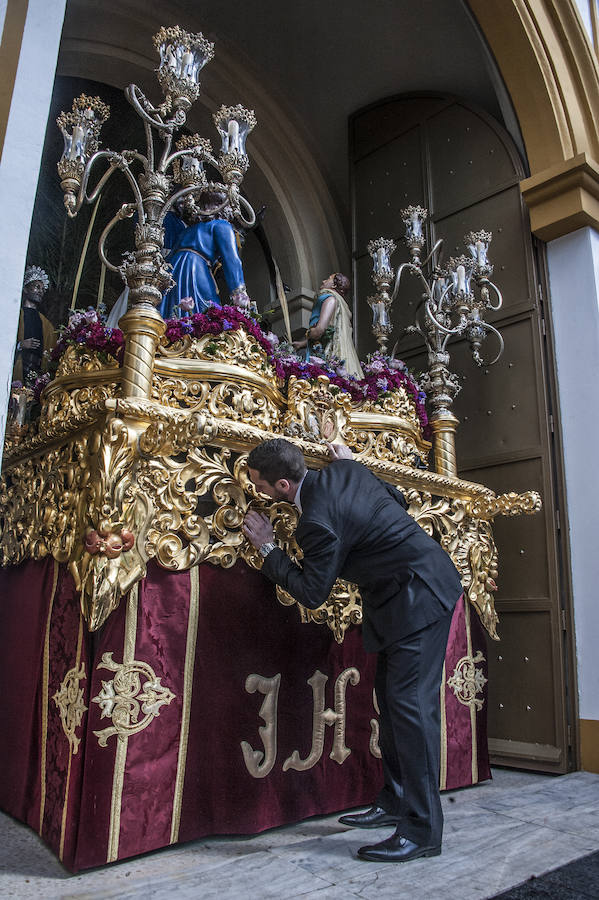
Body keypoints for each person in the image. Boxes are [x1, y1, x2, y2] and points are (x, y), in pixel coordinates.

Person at [243, 438, 462, 864]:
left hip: (420, 599)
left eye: (259, 485)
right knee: (394, 703)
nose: (257, 492)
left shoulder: (316, 522)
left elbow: (312, 591)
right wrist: (355, 467)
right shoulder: (345, 469)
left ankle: (422, 831)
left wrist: (268, 547)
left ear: (284, 485)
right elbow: (397, 497)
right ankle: (395, 799)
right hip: (404, 598)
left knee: (411, 711)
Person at [159, 192, 251, 319]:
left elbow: (168, 257)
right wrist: (239, 294)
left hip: (174, 270)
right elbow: (232, 261)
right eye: (229, 206)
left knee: (174, 311)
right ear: (221, 207)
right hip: (196, 270)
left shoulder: (187, 230)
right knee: (206, 311)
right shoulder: (222, 225)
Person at [292, 273, 363, 378]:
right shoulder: (336, 301)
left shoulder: (330, 299)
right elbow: (328, 332)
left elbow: (319, 330)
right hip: (318, 346)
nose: (323, 281)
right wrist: (302, 343)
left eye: (328, 279)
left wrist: (310, 332)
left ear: (334, 285)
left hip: (323, 352)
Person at [13, 266, 56, 383]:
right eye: (37, 287)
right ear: (26, 289)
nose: (41, 291)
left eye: (43, 289)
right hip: (17, 367)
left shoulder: (46, 324)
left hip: (36, 372)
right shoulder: (16, 315)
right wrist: (20, 345)